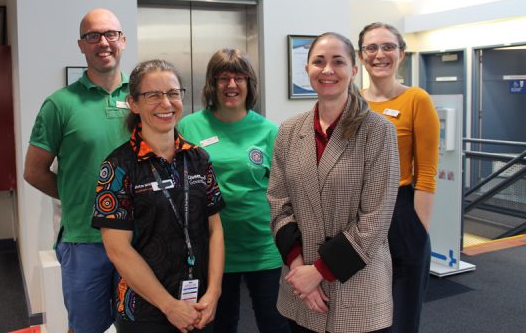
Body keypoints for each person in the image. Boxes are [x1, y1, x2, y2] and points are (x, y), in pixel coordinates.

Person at [268, 32, 400, 333]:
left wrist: (319, 272)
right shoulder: (289, 131)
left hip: (357, 287)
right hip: (299, 287)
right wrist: (301, 269)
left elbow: (375, 220)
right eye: (319, 62)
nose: (327, 70)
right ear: (307, 70)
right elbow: (278, 202)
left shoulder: (378, 131)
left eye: (338, 62)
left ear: (354, 70)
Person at [92, 60, 225, 333]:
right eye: (153, 95)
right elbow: (117, 249)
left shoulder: (198, 158)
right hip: (145, 311)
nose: (166, 103)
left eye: (173, 93)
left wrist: (214, 292)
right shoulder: (118, 167)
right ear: (134, 103)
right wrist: (168, 305)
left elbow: (215, 231)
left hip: (198, 305)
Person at [24, 8, 129, 333]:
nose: (103, 42)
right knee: (85, 328)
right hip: (85, 240)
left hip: (138, 238)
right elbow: (34, 171)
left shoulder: (143, 98)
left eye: (111, 34)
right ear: (81, 45)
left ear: (123, 41)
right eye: (92, 35)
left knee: (142, 325)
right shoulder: (60, 104)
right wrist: (76, 195)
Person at [178, 49, 289, 333]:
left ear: (250, 84)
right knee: (220, 324)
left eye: (240, 77)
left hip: (262, 246)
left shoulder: (268, 131)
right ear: (212, 84)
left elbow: (283, 189)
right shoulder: (189, 127)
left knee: (274, 323)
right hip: (212, 249)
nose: (231, 85)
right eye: (223, 77)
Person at [358, 22, 440, 333]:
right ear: (362, 56)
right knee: (360, 306)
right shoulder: (351, 102)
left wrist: (418, 228)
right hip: (358, 212)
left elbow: (427, 172)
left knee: (402, 311)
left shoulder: (417, 99)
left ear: (401, 54)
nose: (380, 54)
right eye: (372, 47)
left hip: (402, 210)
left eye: (388, 46)